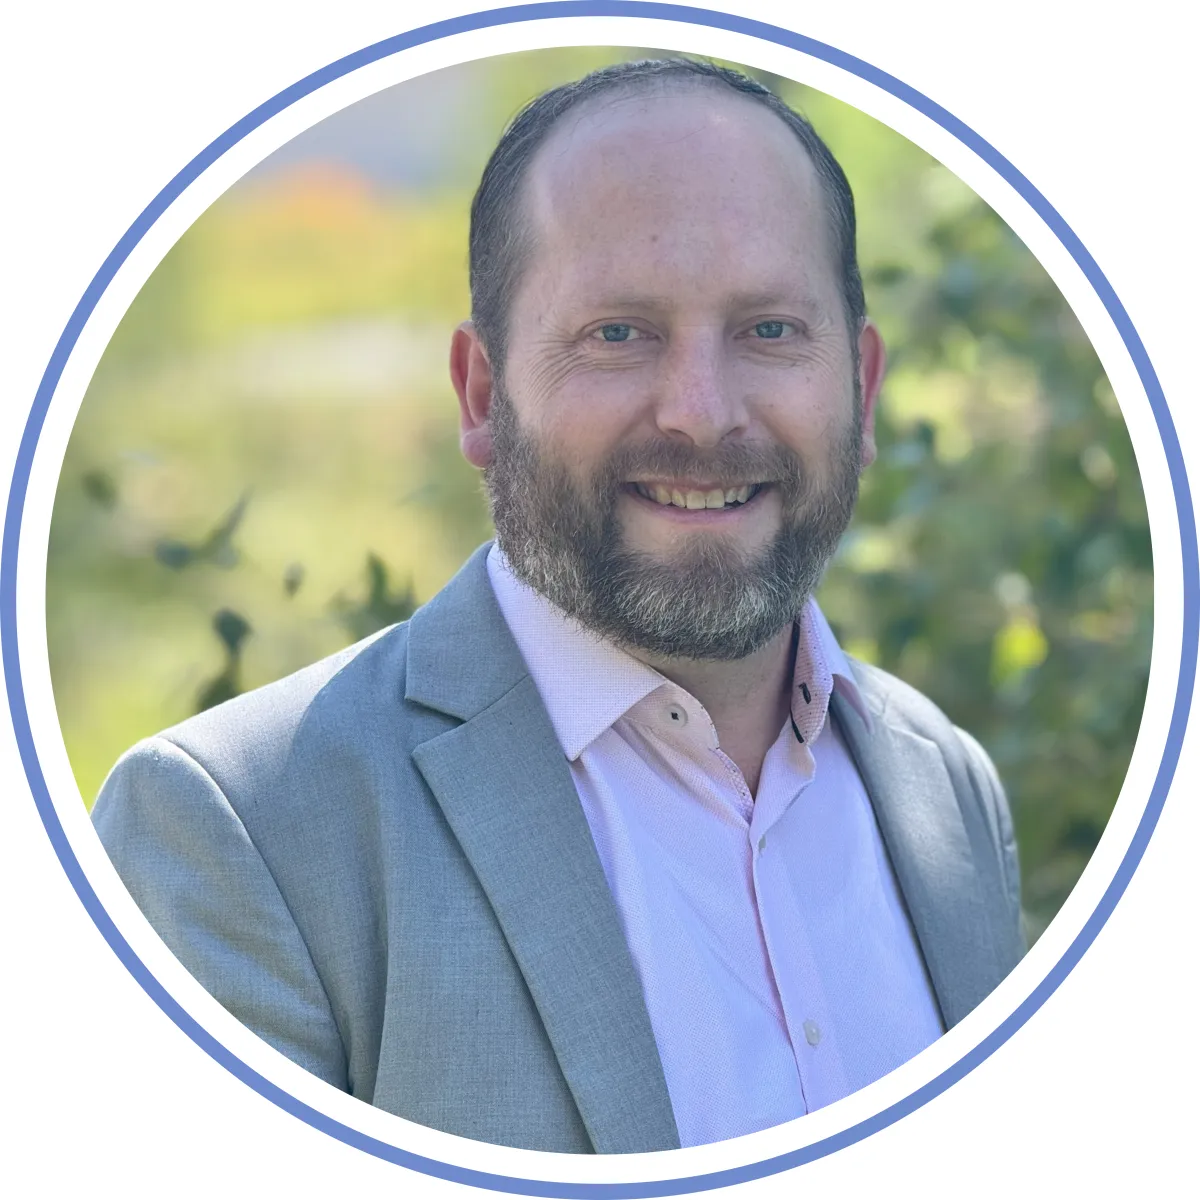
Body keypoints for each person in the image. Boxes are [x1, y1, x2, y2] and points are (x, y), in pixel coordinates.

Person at [92, 58, 1024, 1154]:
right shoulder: (240, 833)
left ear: (862, 390)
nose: (701, 413)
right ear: (484, 395)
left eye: (770, 329)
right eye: (618, 333)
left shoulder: (947, 788)